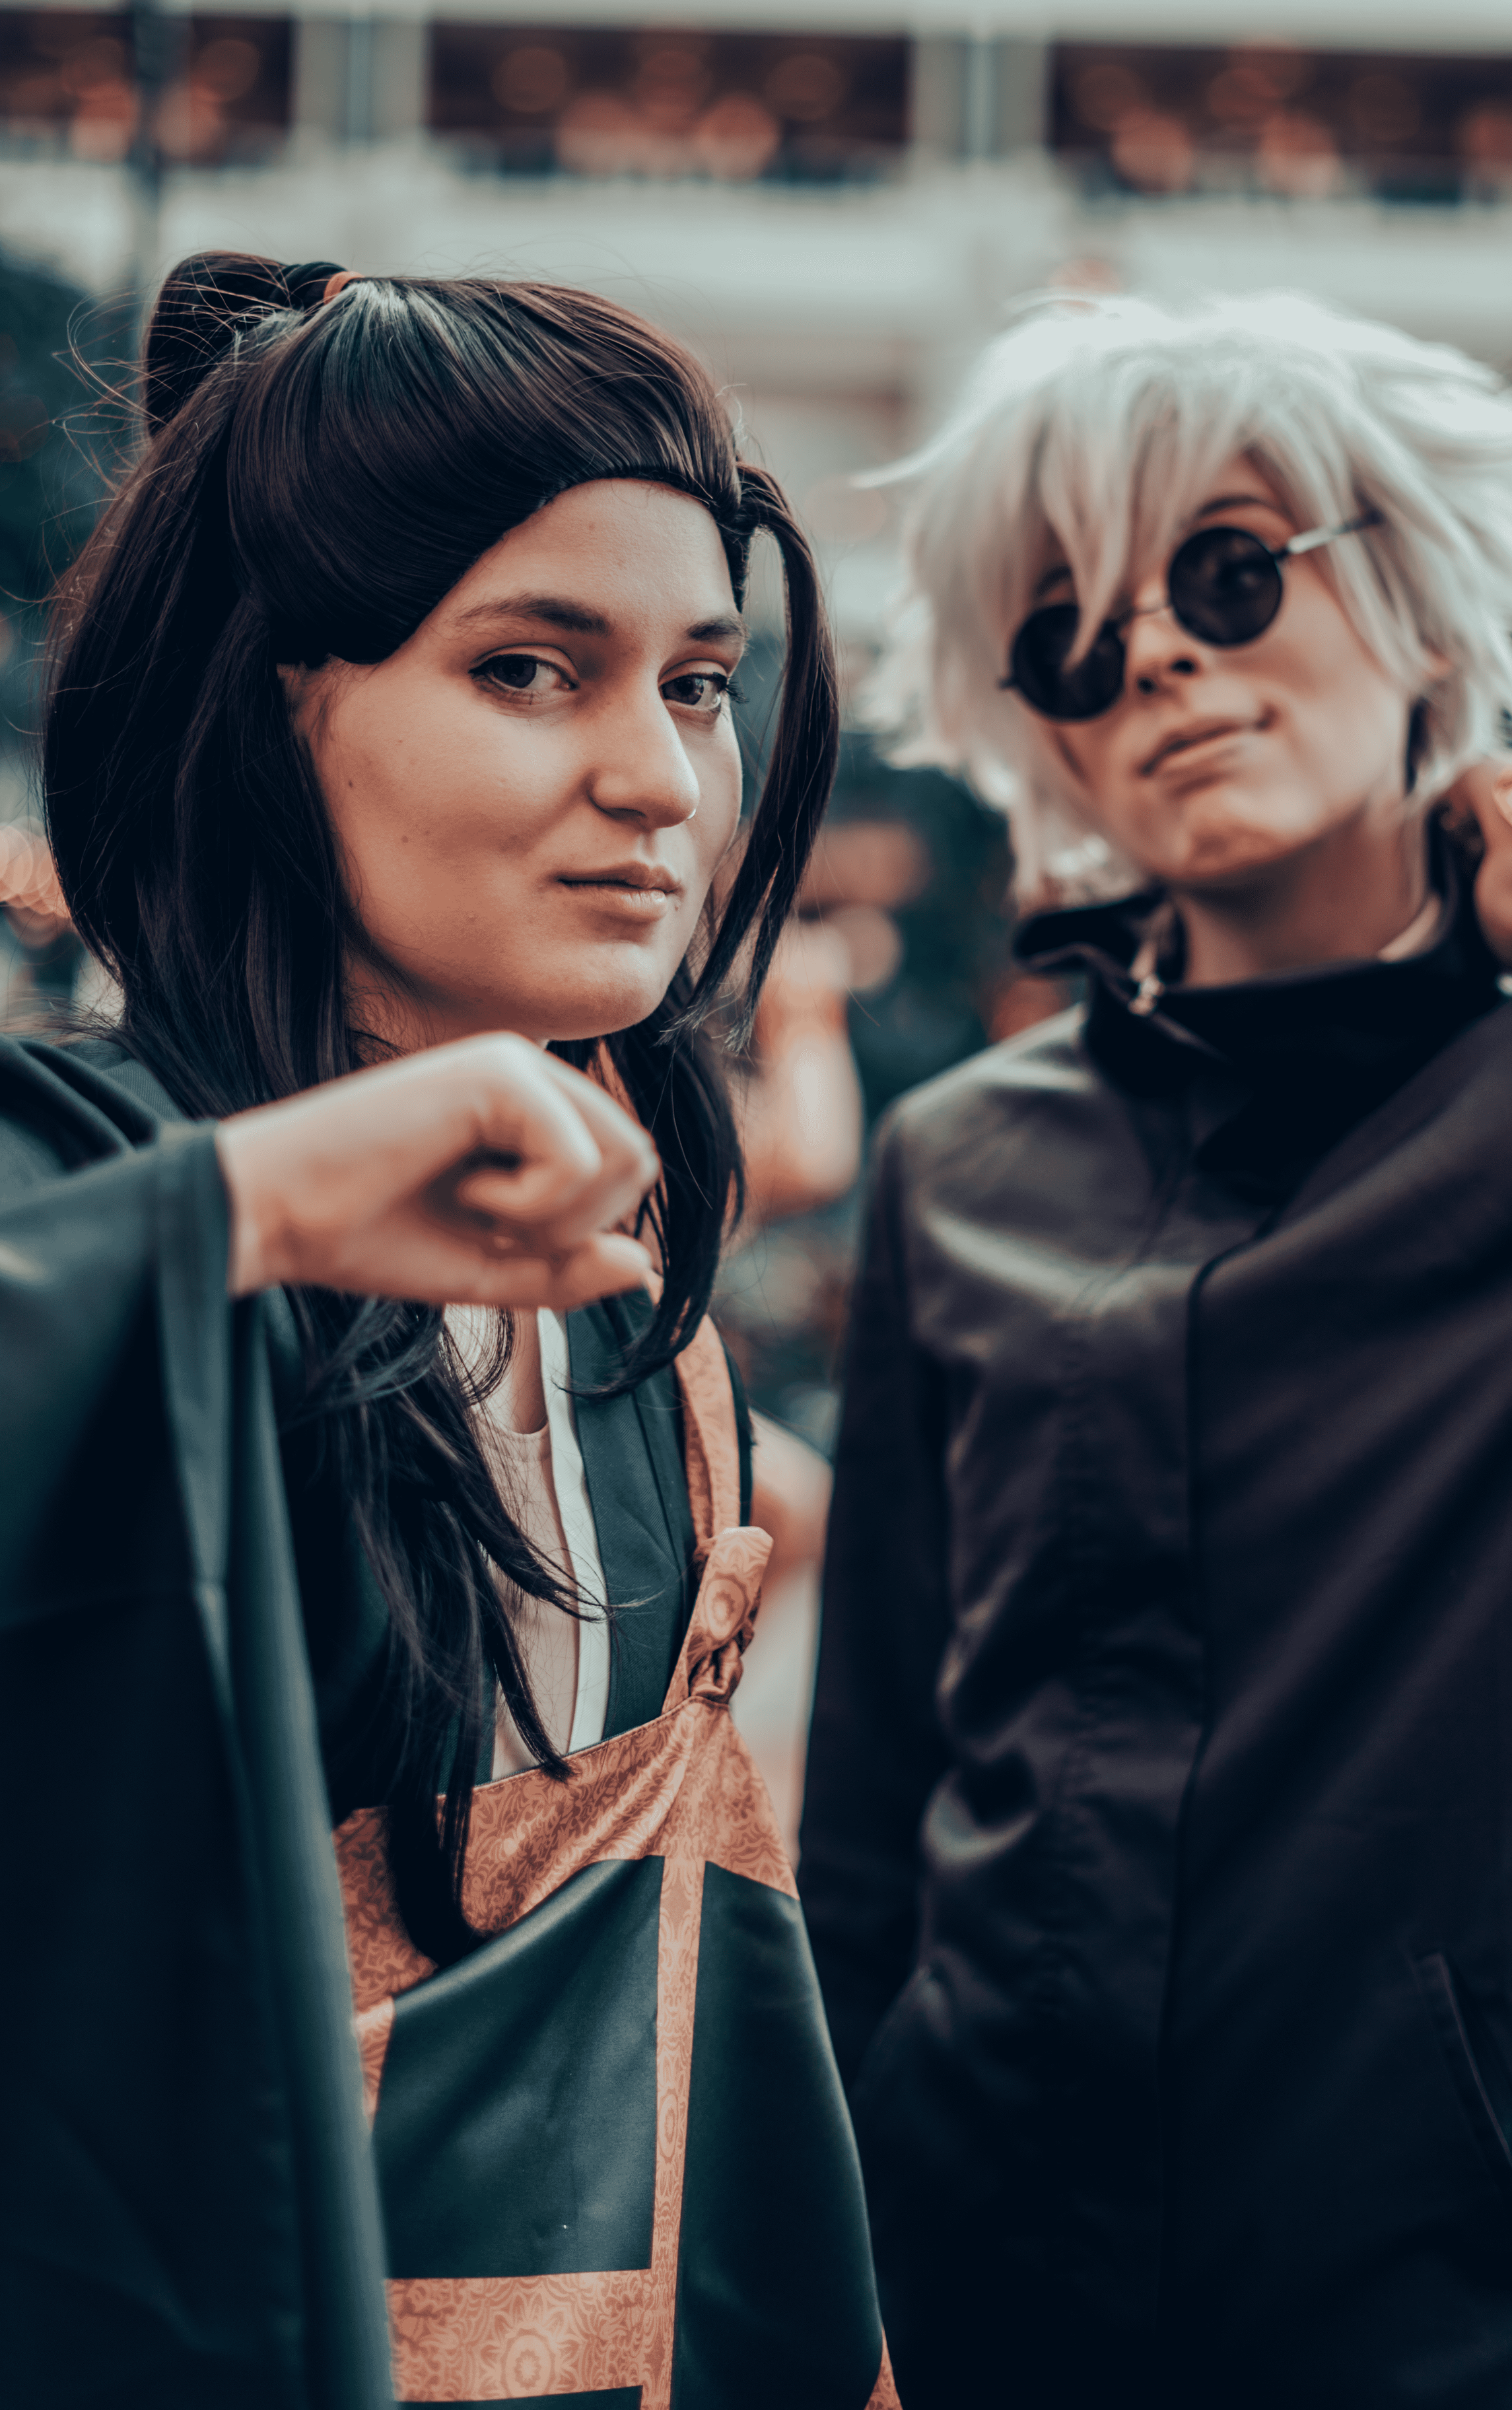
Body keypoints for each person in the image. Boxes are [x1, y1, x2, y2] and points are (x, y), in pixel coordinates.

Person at [3, 255, 897, 2410]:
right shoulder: (91, 1163)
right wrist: (261, 1205)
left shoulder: (637, 1271)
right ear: (270, 702)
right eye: (529, 669)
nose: (666, 782)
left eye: (697, 682)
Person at [798, 288, 1512, 2409]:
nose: (1159, 653)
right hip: (994, 2292)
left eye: (1228, 570)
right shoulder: (957, 1160)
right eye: (1074, 634)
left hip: (1472, 2310)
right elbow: (869, 1819)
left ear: (1419, 606)